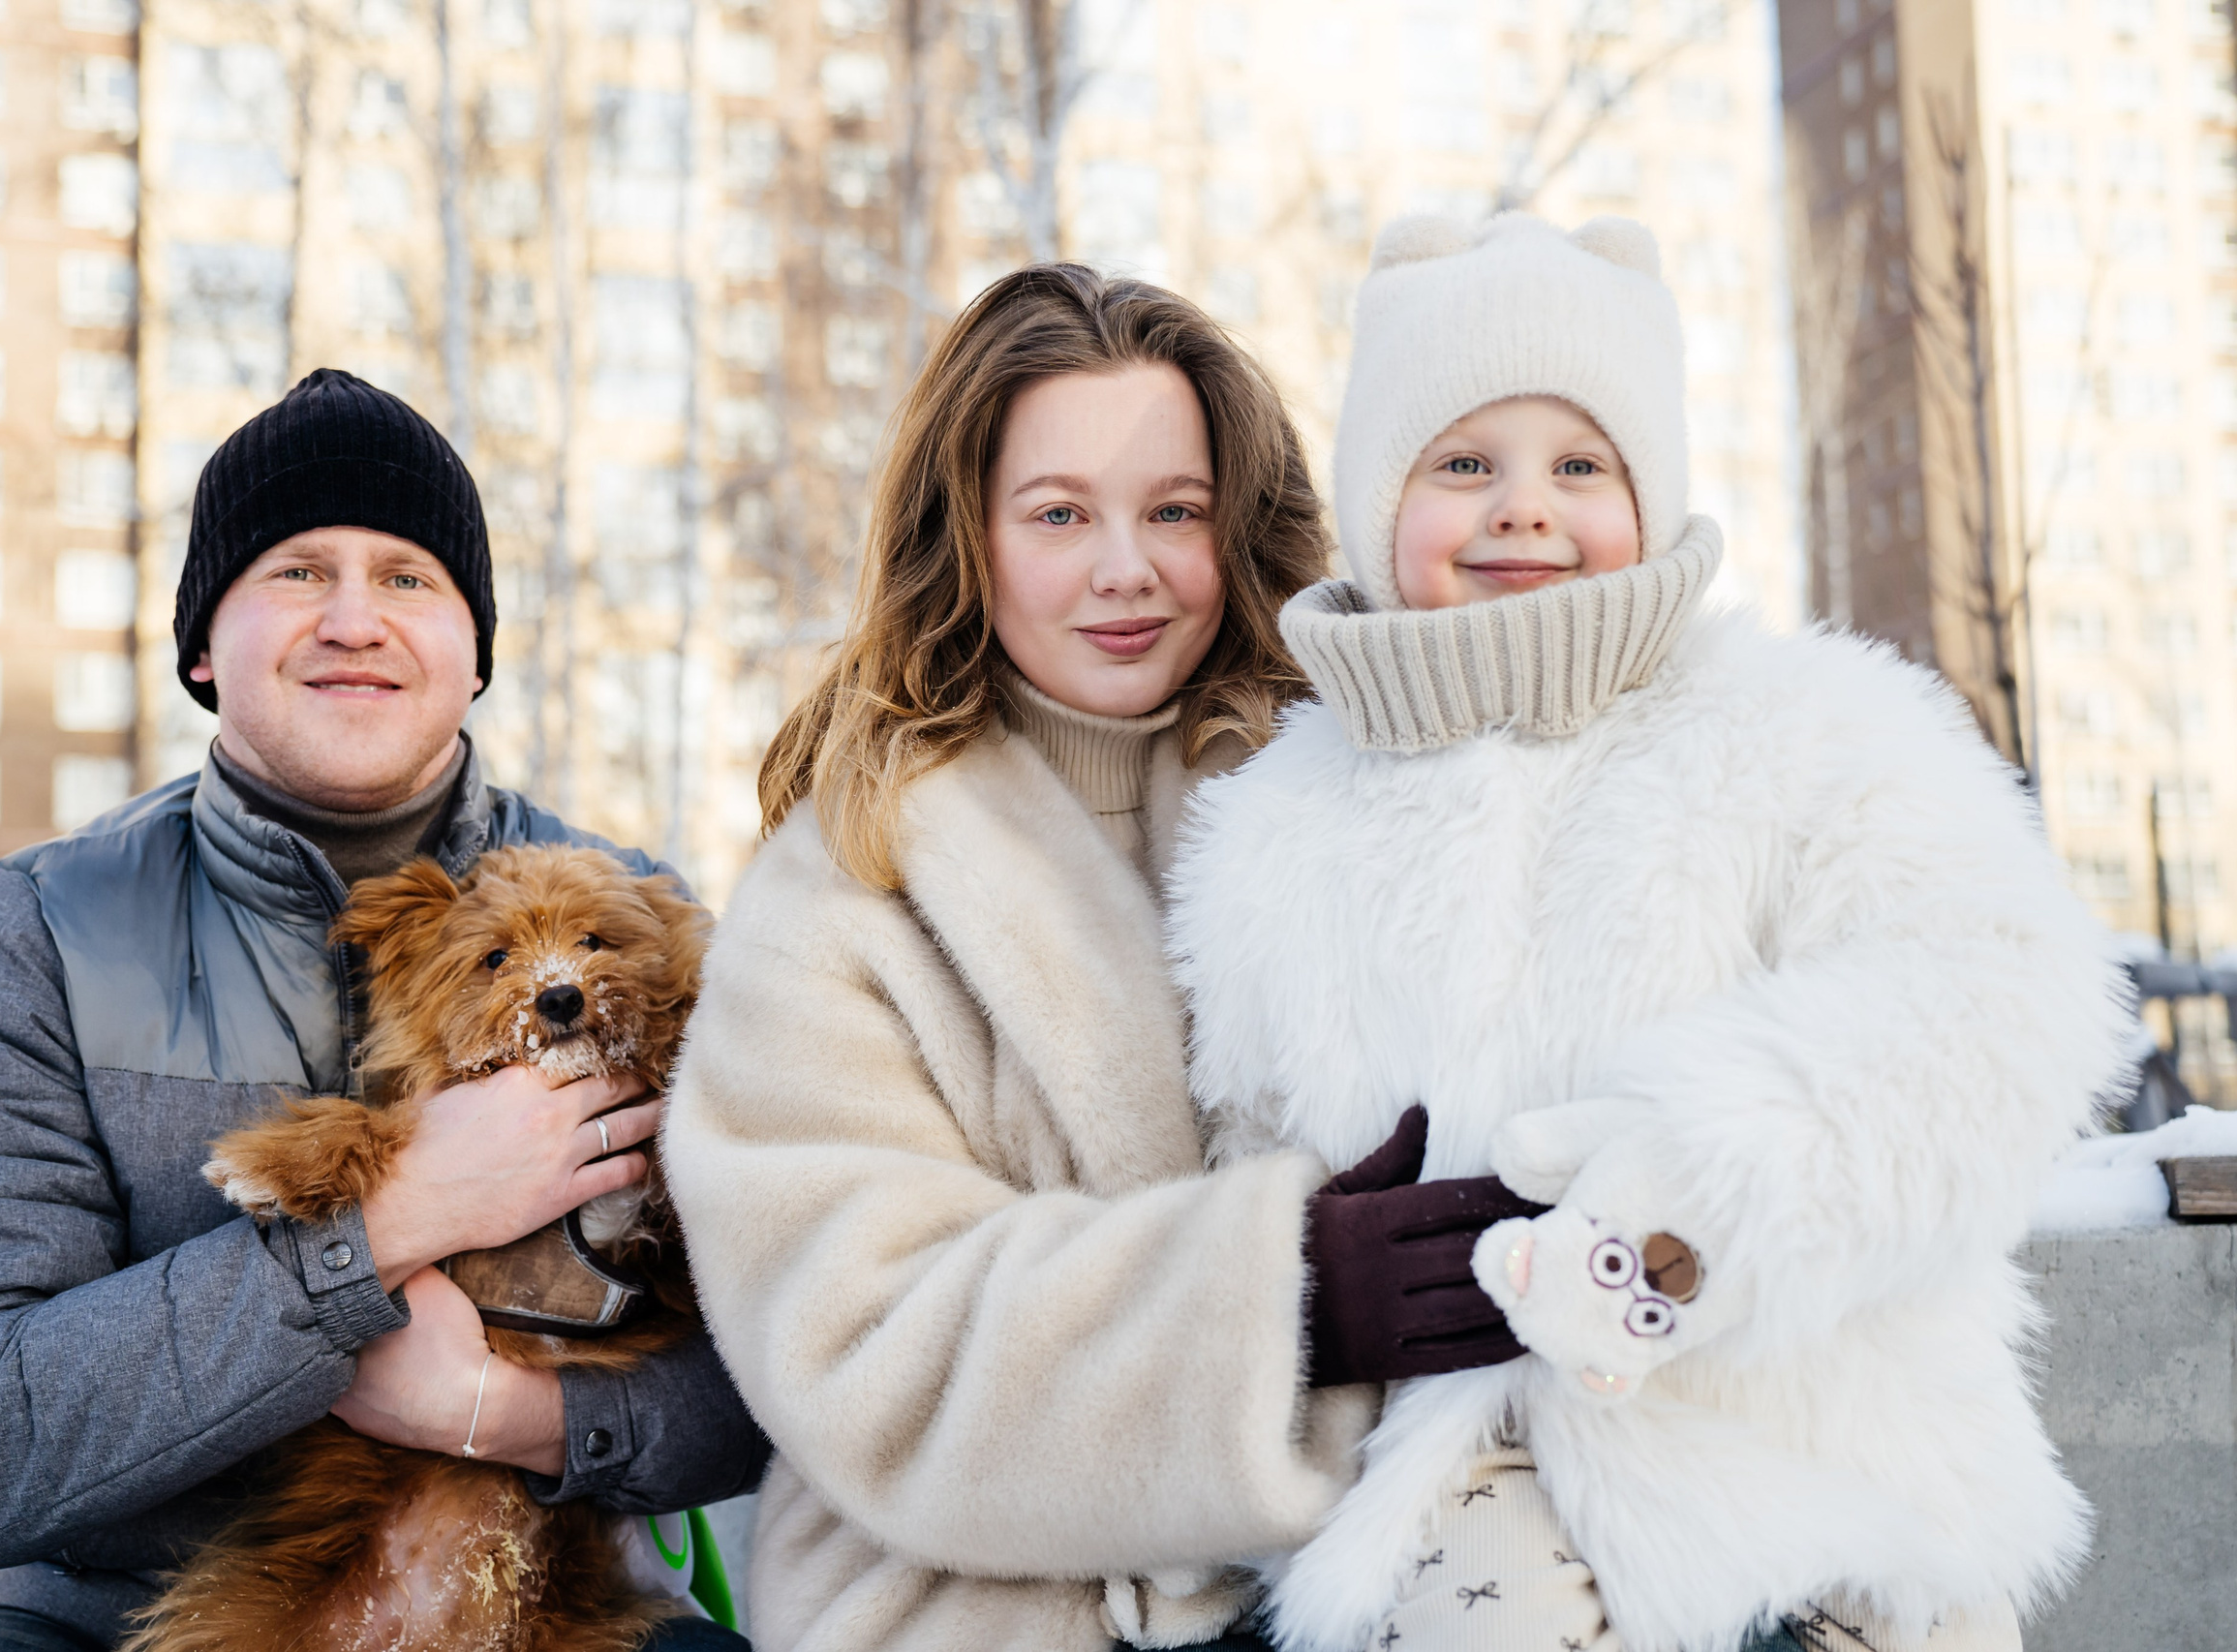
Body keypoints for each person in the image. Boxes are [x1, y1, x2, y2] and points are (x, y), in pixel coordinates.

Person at [1167, 214, 2130, 1652]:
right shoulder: (1272, 832)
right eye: (1464, 464)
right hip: (1466, 1466)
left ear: (1650, 485)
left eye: (1579, 464)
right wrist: (1300, 1304)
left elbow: (2005, 990)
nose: (1524, 509)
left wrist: (1690, 1191)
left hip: (1825, 1424)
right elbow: (1245, 1153)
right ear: (1380, 501)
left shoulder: (1800, 728)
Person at [661, 266, 1548, 1652]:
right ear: (970, 536)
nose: (1125, 567)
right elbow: (866, 1342)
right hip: (973, 1613)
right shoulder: (845, 887)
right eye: (1061, 514)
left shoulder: (1362, 791)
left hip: (1376, 1578)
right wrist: (1286, 1301)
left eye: (1173, 511)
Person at [0, 369, 768, 1652]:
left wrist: (510, 1414)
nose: (353, 618)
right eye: (294, 571)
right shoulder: (38, 936)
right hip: (116, 1615)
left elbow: (778, 1365)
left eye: (407, 576)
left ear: (472, 647)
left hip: (551, 1599)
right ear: (204, 647)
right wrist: (385, 1224)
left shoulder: (648, 929)